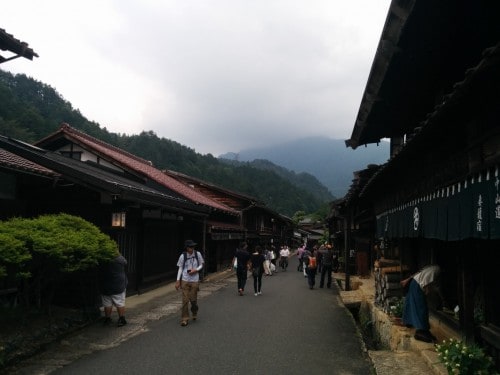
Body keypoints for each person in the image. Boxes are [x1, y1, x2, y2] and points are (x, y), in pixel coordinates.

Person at [400, 264, 442, 342]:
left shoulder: (433, 267)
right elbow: (426, 281)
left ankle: (416, 326)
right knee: (421, 308)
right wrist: (427, 292)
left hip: (415, 283)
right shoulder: (436, 270)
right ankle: (421, 331)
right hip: (417, 285)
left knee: (414, 305)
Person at [175, 239, 204, 327]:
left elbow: (202, 264)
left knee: (193, 300)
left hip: (195, 279)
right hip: (185, 279)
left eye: (193, 246)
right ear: (187, 248)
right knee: (185, 300)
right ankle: (184, 319)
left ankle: (194, 311)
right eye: (190, 247)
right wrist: (177, 280)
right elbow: (180, 268)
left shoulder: (197, 254)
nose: (192, 248)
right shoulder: (182, 256)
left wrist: (196, 270)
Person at [99, 252, 128, 327]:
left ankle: (107, 319)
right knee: (119, 302)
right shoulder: (118, 259)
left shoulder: (102, 259)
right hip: (118, 285)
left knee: (107, 303)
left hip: (105, 285)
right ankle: (121, 319)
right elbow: (125, 262)